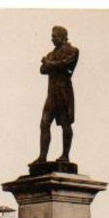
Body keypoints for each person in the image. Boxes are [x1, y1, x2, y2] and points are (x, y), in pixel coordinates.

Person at [33, 25, 79, 164]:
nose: (52, 39)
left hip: (64, 92)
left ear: (62, 36)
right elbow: (42, 70)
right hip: (52, 94)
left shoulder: (73, 50)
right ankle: (42, 157)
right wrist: (50, 64)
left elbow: (65, 64)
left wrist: (48, 63)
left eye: (54, 36)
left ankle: (65, 155)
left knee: (65, 123)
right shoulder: (51, 54)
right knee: (44, 123)